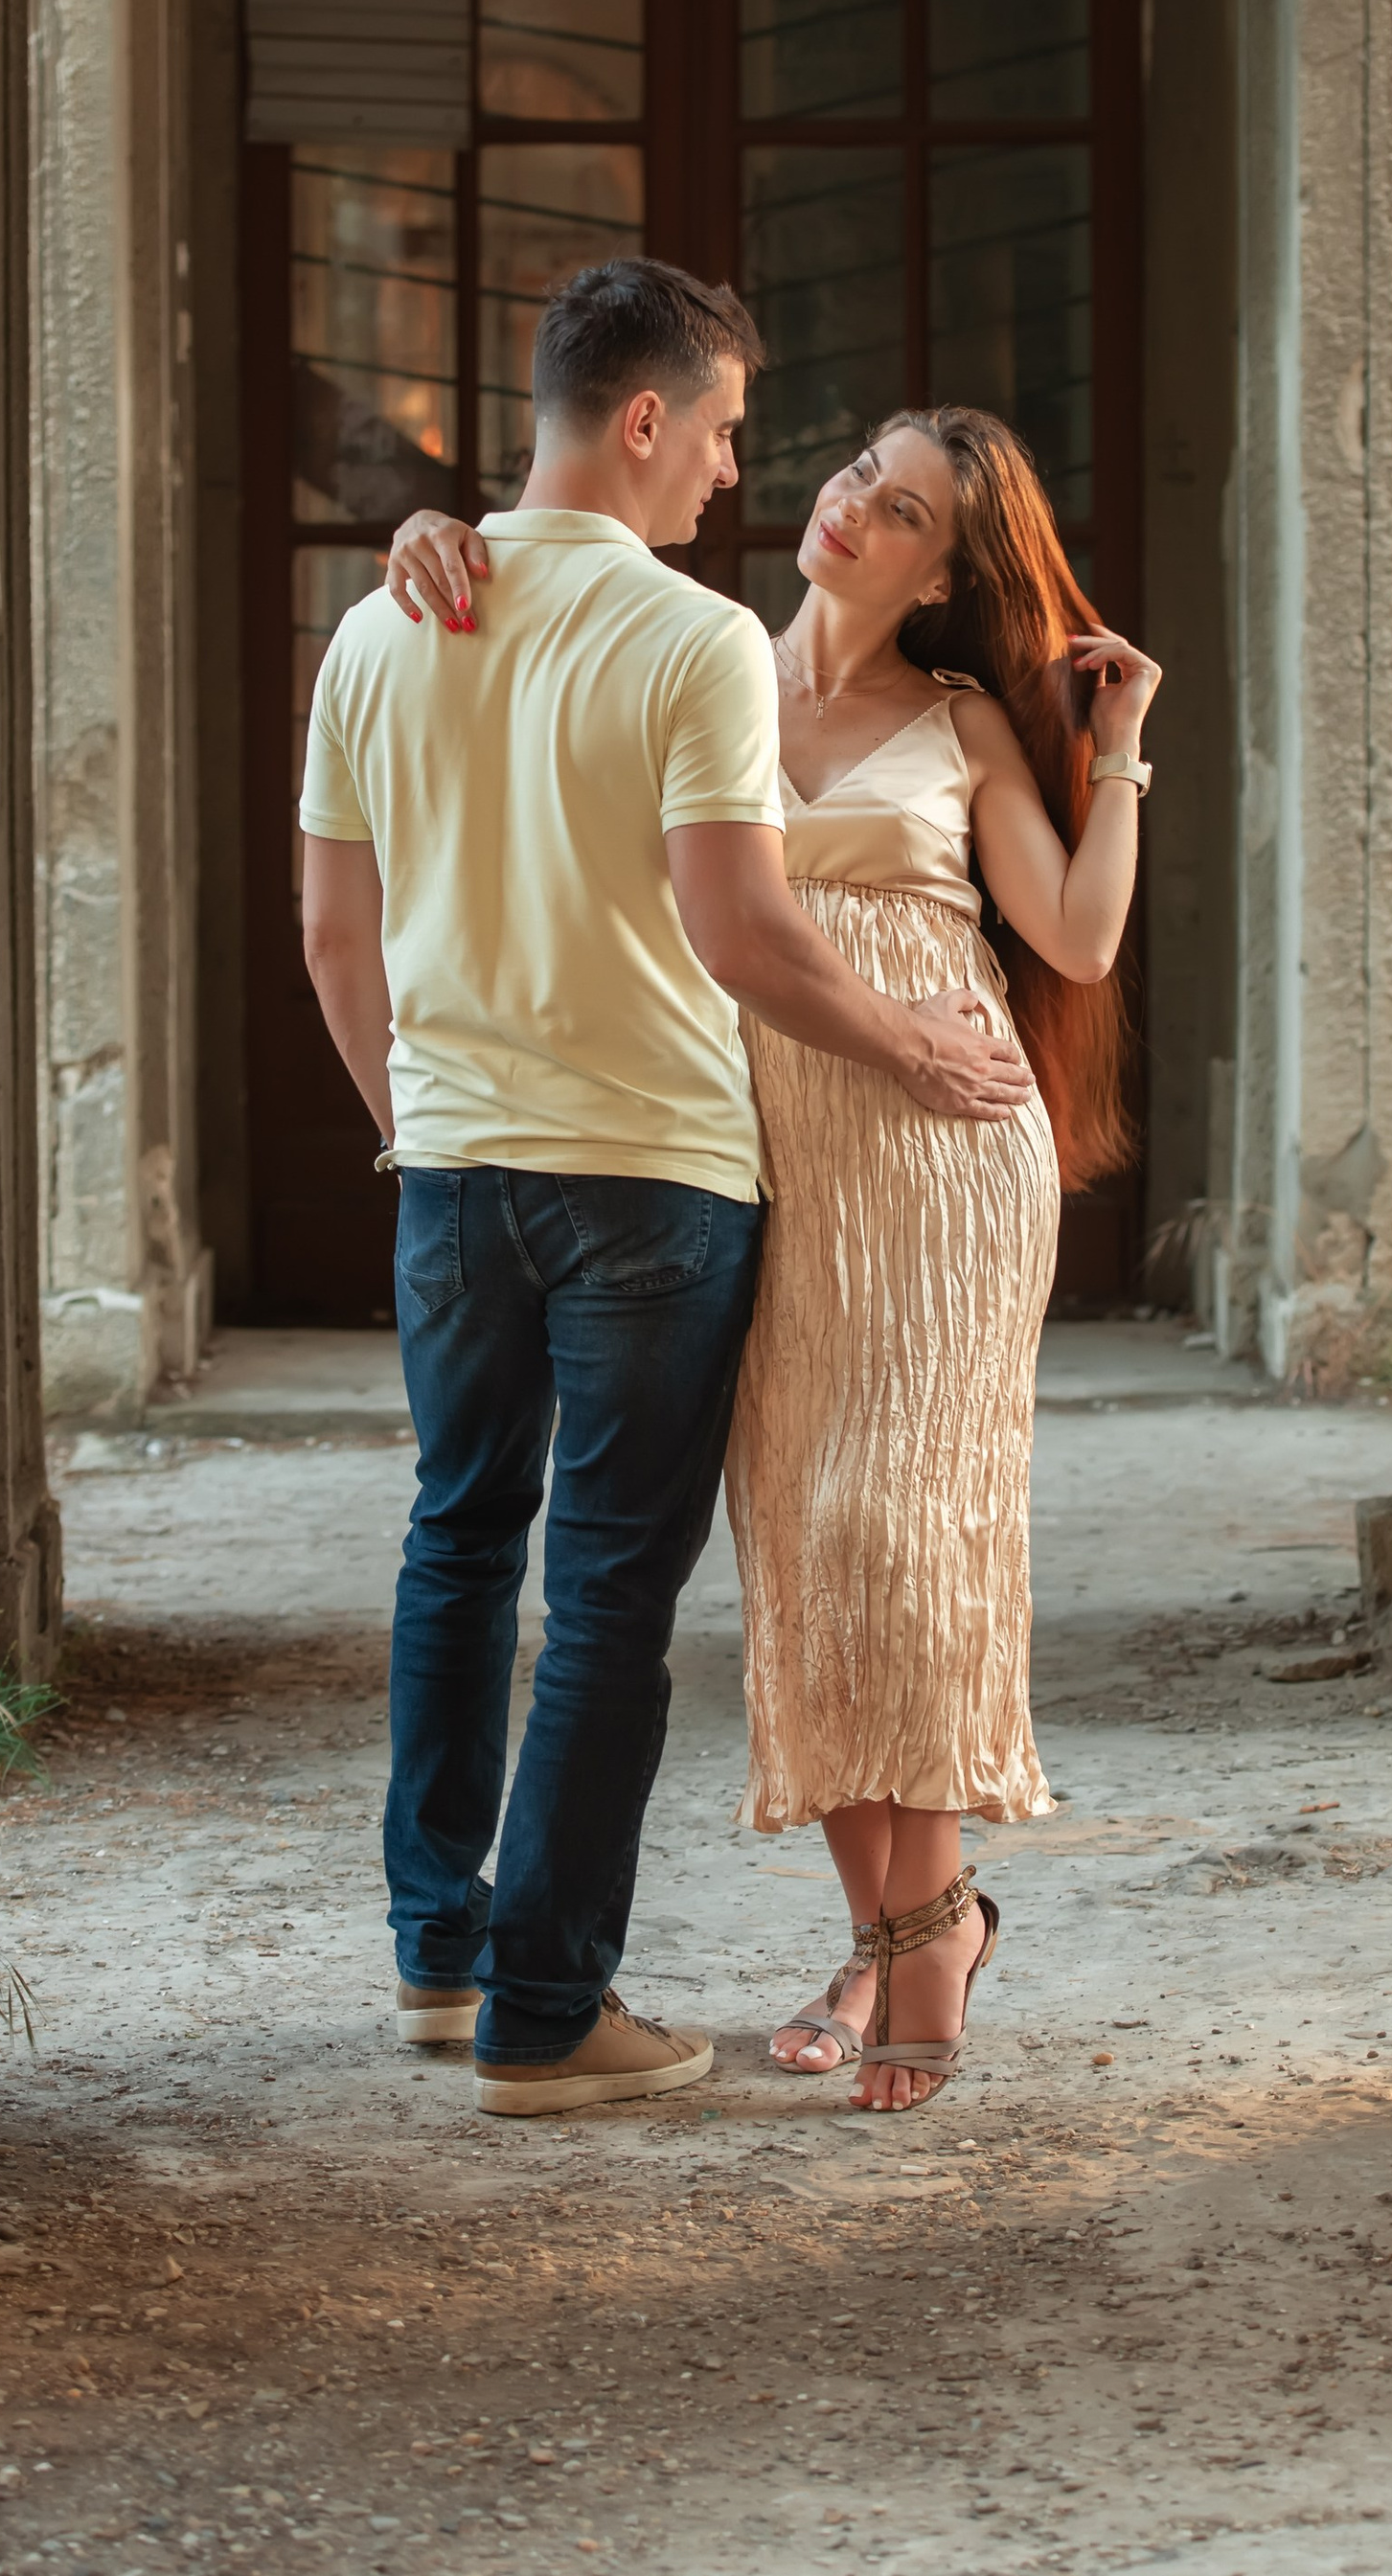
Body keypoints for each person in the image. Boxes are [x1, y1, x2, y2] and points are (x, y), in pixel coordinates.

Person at [298, 264, 1034, 2119]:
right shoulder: (696, 637)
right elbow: (740, 927)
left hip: (454, 1167)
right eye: (713, 429)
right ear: (641, 419)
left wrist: (419, 1109)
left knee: (455, 1537)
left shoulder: (376, 629)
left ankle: (435, 1956)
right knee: (610, 1589)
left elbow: (331, 927)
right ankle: (550, 2007)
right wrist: (911, 1040)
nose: (729, 468)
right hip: (649, 1171)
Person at [388, 402, 1160, 2109]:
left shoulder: (960, 722)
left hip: (947, 1141)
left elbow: (1081, 936)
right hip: (759, 1149)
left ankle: (925, 1933)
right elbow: (553, 598)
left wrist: (1121, 748)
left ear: (951, 568)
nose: (848, 511)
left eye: (897, 511)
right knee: (805, 1542)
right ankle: (908, 1929)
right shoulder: (709, 651)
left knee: (902, 1527)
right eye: (849, 479)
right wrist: (428, 542)